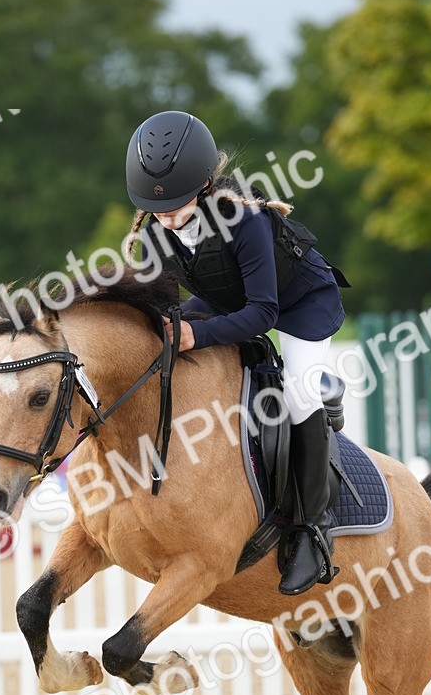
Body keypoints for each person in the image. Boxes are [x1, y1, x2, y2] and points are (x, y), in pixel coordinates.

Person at [124, 110, 347, 596]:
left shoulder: (244, 222)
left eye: (178, 204)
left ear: (205, 185)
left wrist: (194, 336)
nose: (166, 216)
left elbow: (264, 313)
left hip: (299, 305)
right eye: (156, 208)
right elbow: (164, 305)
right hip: (229, 300)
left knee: (300, 397)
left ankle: (313, 528)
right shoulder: (155, 233)